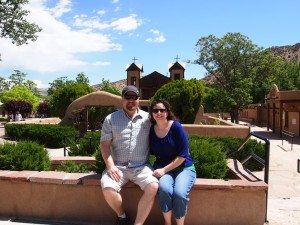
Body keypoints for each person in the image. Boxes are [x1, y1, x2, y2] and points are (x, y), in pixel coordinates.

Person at [100, 85, 159, 225]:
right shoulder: (111, 119)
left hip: (141, 167)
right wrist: (110, 167)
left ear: (139, 100)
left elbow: (164, 128)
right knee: (108, 189)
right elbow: (104, 145)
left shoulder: (149, 118)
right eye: (127, 97)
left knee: (153, 186)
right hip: (118, 167)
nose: (131, 100)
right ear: (122, 99)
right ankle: (122, 216)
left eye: (134, 97)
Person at [149, 99, 196, 225]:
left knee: (179, 194)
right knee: (164, 190)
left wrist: (164, 170)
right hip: (162, 167)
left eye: (162, 110)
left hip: (184, 167)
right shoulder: (151, 131)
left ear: (167, 112)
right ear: (151, 113)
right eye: (155, 110)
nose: (159, 113)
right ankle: (167, 223)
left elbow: (183, 155)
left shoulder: (176, 127)